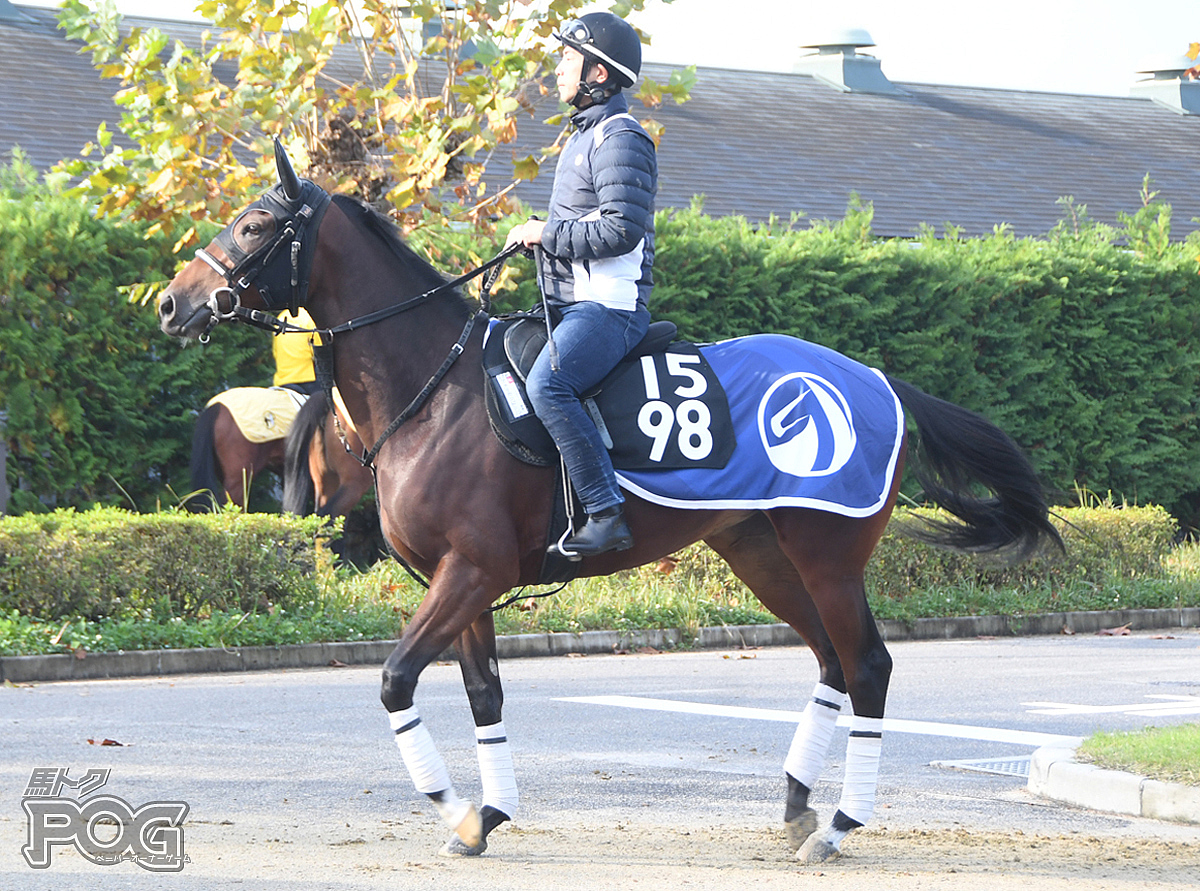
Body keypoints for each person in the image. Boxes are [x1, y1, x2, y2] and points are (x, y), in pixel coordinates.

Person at [505, 11, 657, 557]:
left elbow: (621, 229)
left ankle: (605, 511)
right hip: (570, 303)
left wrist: (547, 233)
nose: (559, 69)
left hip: (609, 309)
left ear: (598, 74)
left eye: (569, 58)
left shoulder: (621, 137)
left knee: (550, 384)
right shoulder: (585, 137)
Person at [272, 307, 320, 397]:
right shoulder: (311, 317)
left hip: (283, 379)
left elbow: (276, 352)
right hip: (308, 380)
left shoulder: (281, 317)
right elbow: (320, 351)